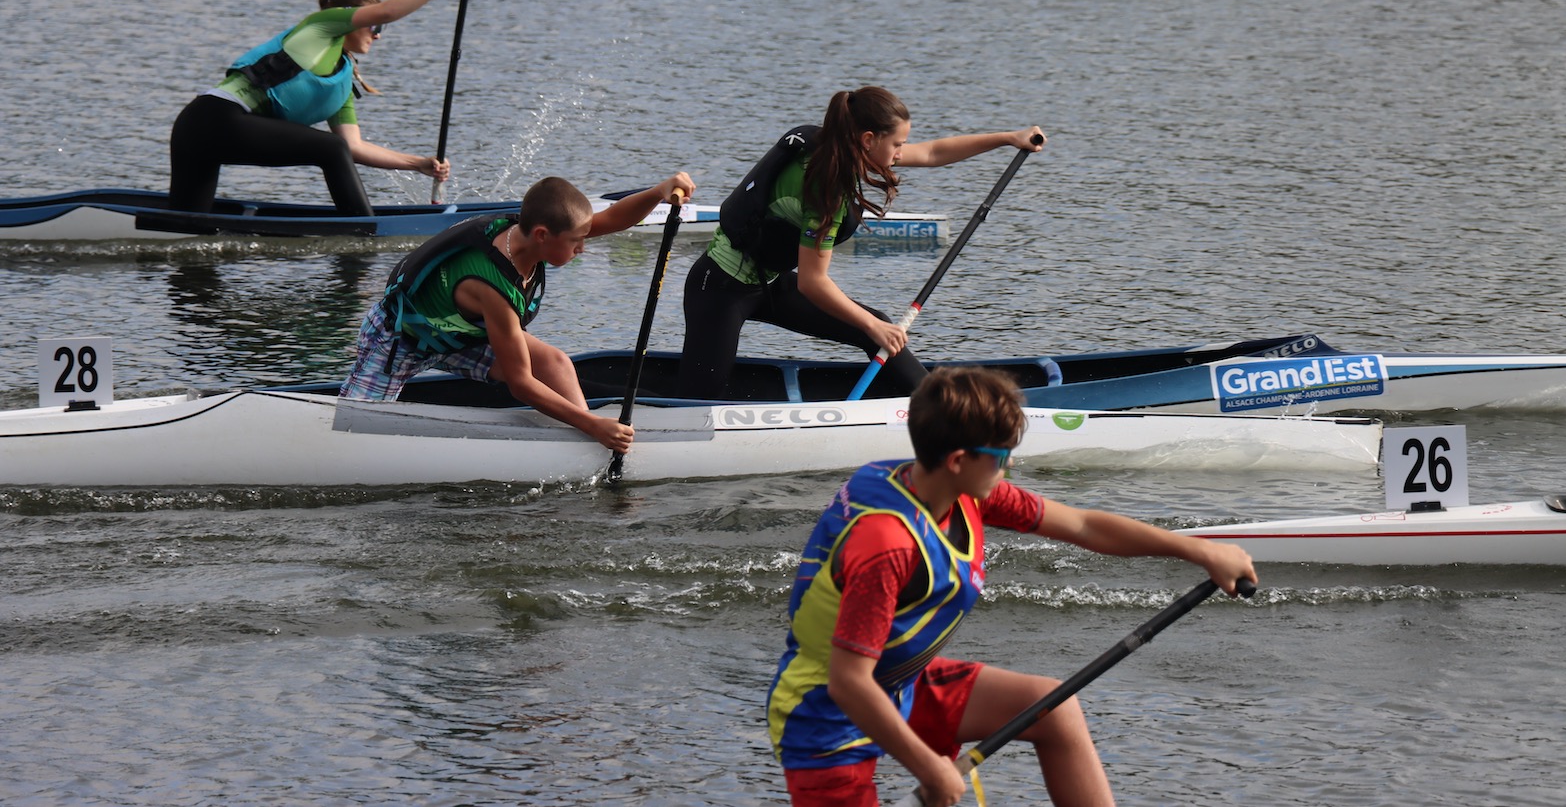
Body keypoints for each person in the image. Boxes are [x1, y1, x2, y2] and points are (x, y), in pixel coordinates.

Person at [766, 367, 1257, 807]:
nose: (1009, 467)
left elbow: (1084, 526)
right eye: (1001, 456)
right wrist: (930, 769)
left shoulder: (954, 489)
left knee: (1052, 710)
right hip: (826, 716)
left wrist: (1200, 551)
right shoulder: (887, 544)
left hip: (900, 683)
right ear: (958, 459)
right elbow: (849, 684)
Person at [675, 86, 1045, 401]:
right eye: (897, 144)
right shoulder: (826, 190)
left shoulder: (834, 146)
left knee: (879, 327)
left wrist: (1008, 138)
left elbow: (932, 153)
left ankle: (944, 412)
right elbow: (812, 282)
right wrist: (871, 325)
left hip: (767, 282)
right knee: (699, 402)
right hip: (719, 289)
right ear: (868, 139)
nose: (900, 153)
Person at [339, 173, 696, 454]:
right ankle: (592, 428)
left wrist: (658, 191)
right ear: (542, 235)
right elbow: (521, 384)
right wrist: (594, 425)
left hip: (460, 335)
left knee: (554, 363)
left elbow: (613, 218)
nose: (582, 249)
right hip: (400, 341)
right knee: (349, 429)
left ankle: (589, 445)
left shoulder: (535, 235)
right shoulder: (492, 287)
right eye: (576, 242)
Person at [169, 0, 485, 215]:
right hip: (211, 119)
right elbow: (389, 9)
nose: (378, 35)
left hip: (205, 134)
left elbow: (353, 147)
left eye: (382, 29)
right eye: (375, 25)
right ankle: (363, 234)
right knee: (329, 148)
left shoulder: (341, 83)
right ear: (352, 18)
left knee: (187, 226)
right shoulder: (322, 25)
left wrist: (419, 164)